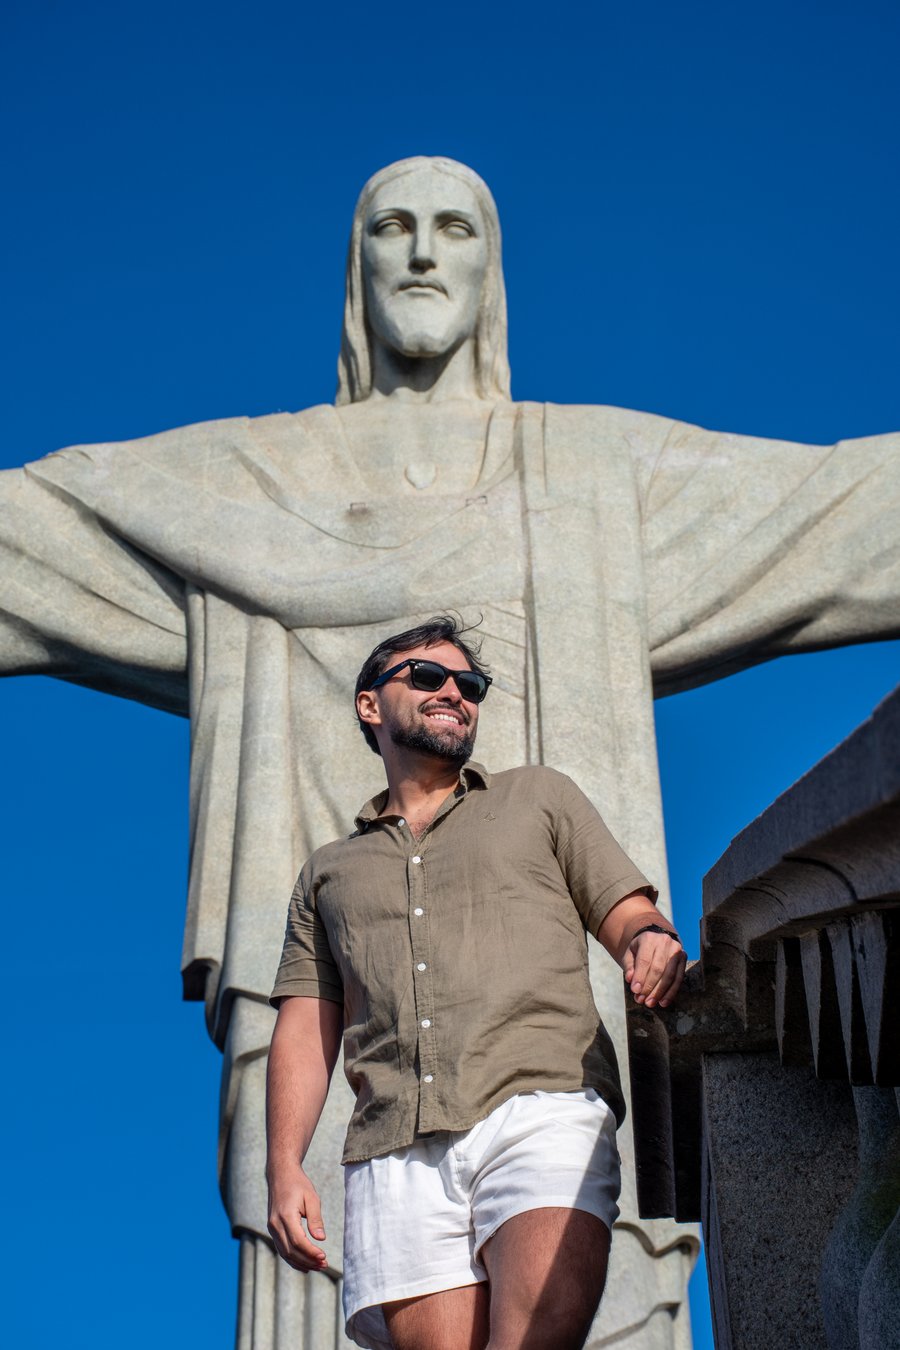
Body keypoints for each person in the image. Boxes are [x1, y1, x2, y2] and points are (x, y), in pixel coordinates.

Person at [1, 155, 898, 1346]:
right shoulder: (246, 483)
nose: (423, 254)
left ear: (491, 269)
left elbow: (843, 514)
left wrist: (639, 938)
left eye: (455, 229)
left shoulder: (586, 475)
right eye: (392, 229)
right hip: (357, 1083)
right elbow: (37, 534)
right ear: (356, 269)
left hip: (544, 1053)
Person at [266, 614, 687, 1350]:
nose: (454, 693)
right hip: (395, 1147)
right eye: (427, 678)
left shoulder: (538, 797)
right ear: (371, 704)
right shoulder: (327, 872)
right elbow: (306, 1025)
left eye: (471, 684)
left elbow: (626, 908)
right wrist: (282, 1166)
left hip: (542, 1104)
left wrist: (649, 938)